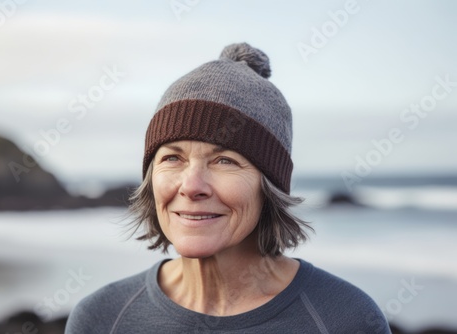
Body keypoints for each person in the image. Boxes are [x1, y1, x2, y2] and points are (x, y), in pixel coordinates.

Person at [65, 42, 390, 333]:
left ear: (270, 185)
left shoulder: (346, 320)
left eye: (224, 161)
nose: (192, 187)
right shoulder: (102, 319)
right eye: (172, 158)